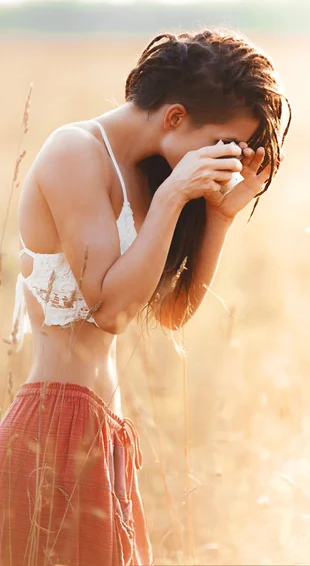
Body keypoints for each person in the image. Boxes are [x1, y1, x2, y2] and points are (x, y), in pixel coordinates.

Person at [0, 29, 291, 565]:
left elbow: (171, 313)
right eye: (222, 143)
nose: (225, 161)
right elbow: (109, 310)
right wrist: (177, 194)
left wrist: (219, 218)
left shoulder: (151, 175)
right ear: (175, 118)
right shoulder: (75, 151)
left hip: (105, 432)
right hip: (51, 430)